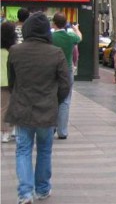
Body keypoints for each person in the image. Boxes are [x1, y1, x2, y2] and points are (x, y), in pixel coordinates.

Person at [6, 12, 70, 203]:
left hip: (23, 107)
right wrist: (55, 99)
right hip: (47, 109)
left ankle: (25, 193)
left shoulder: (15, 51)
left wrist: (18, 94)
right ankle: (42, 188)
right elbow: (65, 83)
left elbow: (12, 81)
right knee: (44, 149)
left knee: (23, 149)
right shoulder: (56, 53)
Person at [51, 13, 82, 140]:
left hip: (52, 70)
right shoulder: (70, 37)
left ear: (54, 23)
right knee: (65, 100)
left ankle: (51, 127)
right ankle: (62, 131)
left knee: (52, 98)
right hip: (67, 70)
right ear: (65, 24)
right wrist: (76, 29)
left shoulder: (50, 37)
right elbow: (79, 38)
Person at [1, 21, 18, 143]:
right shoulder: (14, 49)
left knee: (3, 107)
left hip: (1, 81)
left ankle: (5, 131)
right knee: (12, 107)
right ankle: (8, 131)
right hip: (12, 81)